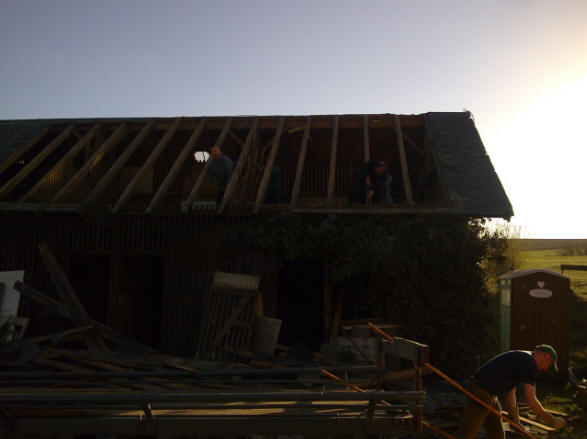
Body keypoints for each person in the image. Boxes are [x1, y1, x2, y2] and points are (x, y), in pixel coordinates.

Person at [457, 345, 566, 439]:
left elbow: (510, 397)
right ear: (546, 356)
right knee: (466, 434)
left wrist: (516, 423)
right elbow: (531, 401)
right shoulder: (530, 362)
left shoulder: (523, 359)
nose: (546, 369)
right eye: (549, 365)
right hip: (481, 392)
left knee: (497, 435)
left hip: (488, 393)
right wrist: (551, 420)